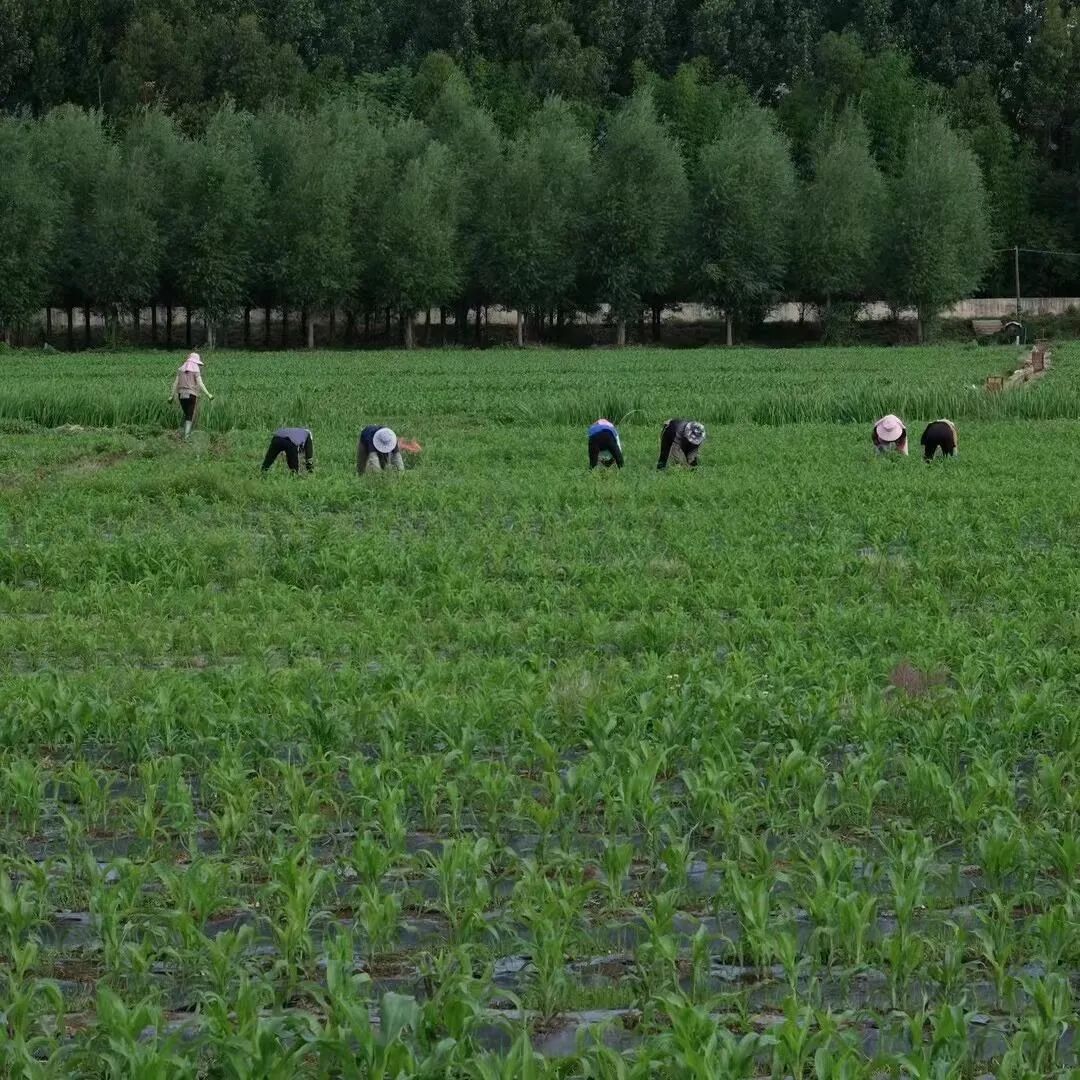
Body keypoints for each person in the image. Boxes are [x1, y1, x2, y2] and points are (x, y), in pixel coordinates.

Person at [169, 353, 213, 439]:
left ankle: (182, 432)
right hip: (191, 395)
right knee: (189, 415)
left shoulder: (181, 369)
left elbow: (175, 383)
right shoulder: (196, 369)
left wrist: (171, 396)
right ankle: (186, 436)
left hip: (181, 395)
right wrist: (208, 394)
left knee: (186, 414)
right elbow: (200, 383)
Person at [356, 426, 422, 474]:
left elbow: (397, 458)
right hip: (365, 440)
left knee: (384, 462)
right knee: (362, 464)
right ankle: (360, 475)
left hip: (382, 438)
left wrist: (401, 473)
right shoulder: (371, 439)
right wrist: (377, 476)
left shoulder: (391, 438)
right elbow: (373, 459)